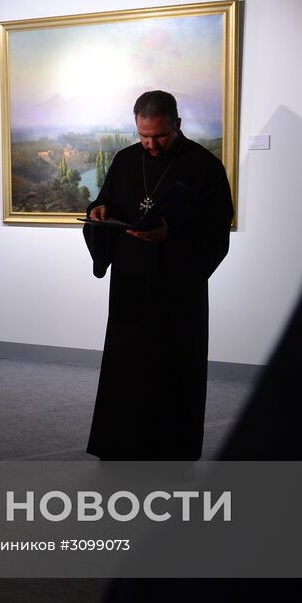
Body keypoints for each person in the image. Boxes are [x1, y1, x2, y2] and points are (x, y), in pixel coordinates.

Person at [82, 90, 232, 460]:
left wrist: (172, 234)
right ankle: (119, 444)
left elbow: (216, 231)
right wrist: (98, 211)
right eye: (144, 136)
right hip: (131, 279)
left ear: (177, 124)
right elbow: (106, 201)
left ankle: (172, 451)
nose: (150, 145)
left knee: (174, 366)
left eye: (160, 136)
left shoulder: (204, 166)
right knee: (126, 363)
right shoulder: (125, 160)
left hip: (178, 284)